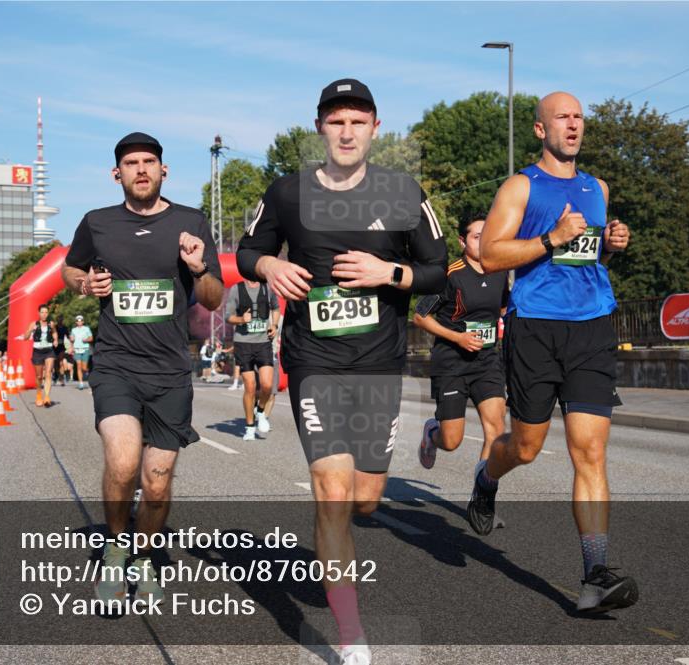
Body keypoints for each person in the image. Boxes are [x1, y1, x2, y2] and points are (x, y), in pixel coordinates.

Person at [237, 78, 447, 664]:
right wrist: (271, 265)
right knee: (332, 492)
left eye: (358, 120)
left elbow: (438, 271)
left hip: (379, 362)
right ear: (320, 128)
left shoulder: (403, 192)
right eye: (336, 120)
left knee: (365, 500)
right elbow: (247, 253)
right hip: (313, 358)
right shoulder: (286, 193)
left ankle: (339, 546)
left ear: (375, 128)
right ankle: (352, 638)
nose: (347, 130)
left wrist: (390, 274)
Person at [476, 91, 635, 613]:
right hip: (536, 328)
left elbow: (588, 251)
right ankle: (486, 477)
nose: (573, 124)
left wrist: (610, 241)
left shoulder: (597, 187)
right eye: (562, 117)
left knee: (589, 451)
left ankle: (596, 575)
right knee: (524, 446)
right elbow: (491, 254)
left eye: (579, 117)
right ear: (541, 130)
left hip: (591, 326)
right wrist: (551, 237)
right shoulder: (521, 186)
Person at [61, 131, 223, 605]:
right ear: (117, 174)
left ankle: (146, 554)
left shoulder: (191, 221)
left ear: (163, 170)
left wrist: (197, 269)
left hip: (170, 369)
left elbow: (213, 299)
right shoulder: (98, 223)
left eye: (149, 161)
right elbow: (69, 270)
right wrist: (85, 283)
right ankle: (115, 546)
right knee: (124, 460)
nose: (141, 169)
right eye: (131, 163)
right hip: (115, 362)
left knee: (155, 483)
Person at [413, 214, 509, 472]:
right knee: (451, 440)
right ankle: (433, 433)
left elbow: (502, 309)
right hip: (452, 362)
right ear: (462, 241)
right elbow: (420, 316)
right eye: (477, 237)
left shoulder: (500, 273)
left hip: (487, 362)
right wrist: (458, 337)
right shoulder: (449, 274)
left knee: (497, 430)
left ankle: (483, 493)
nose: (483, 241)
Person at [225, 279, 280, 440]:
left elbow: (275, 308)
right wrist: (242, 319)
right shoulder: (237, 289)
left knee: (267, 385)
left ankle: (261, 411)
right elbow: (229, 316)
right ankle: (250, 427)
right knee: (250, 387)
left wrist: (274, 325)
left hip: (263, 343)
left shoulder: (267, 287)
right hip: (244, 344)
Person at [23, 304, 58, 407]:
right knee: (39, 376)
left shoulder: (51, 324)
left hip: (49, 351)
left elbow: (55, 332)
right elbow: (25, 337)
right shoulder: (34, 324)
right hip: (37, 352)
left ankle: (47, 396)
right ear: (39, 313)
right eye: (42, 312)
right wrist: (30, 330)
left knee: (48, 373)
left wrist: (55, 339)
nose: (44, 314)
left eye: (46, 312)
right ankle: (39, 394)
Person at [69, 314, 94, 390]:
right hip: (77, 349)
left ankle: (87, 372)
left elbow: (91, 338)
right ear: (76, 322)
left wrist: (86, 340)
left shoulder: (86, 329)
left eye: (80, 320)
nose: (79, 322)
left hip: (85, 349)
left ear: (83, 321)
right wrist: (71, 343)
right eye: (77, 321)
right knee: (78, 365)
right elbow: (71, 339)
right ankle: (81, 383)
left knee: (84, 367)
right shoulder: (73, 330)